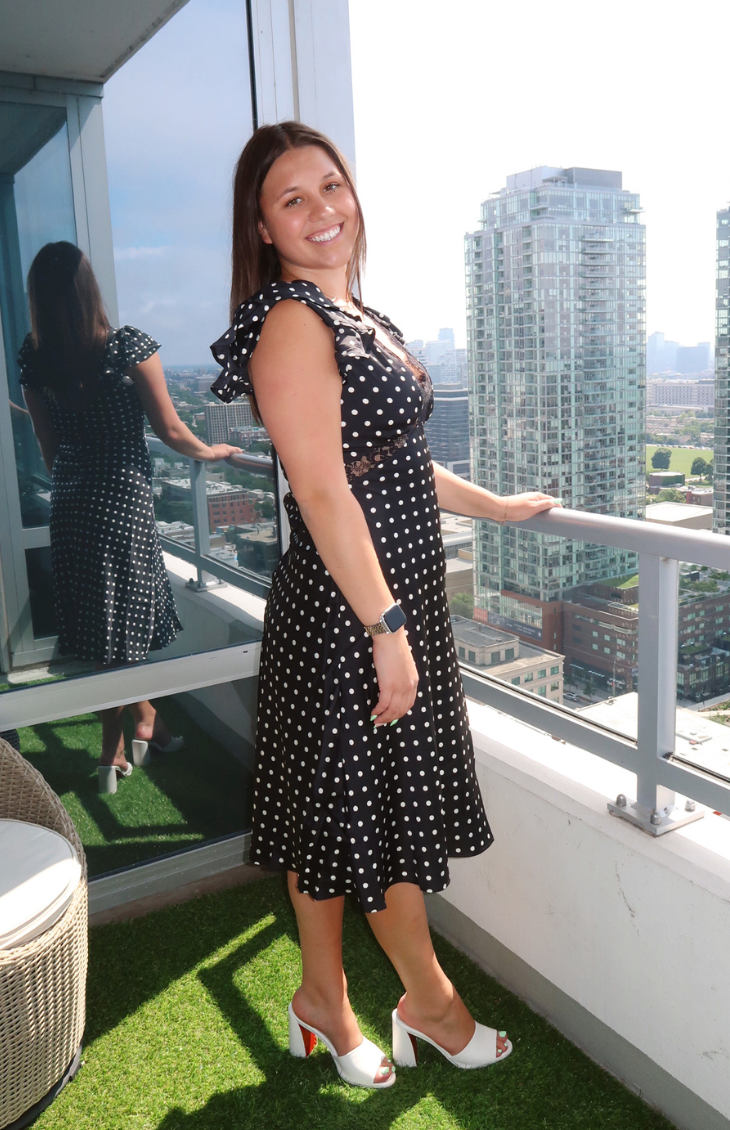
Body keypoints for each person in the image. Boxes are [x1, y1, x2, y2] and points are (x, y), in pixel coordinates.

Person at [210, 122, 559, 1090]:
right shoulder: (291, 318)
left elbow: (394, 461)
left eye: (332, 185)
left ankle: (322, 1000)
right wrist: (387, 631)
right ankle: (431, 1006)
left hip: (384, 605)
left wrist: (492, 504)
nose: (325, 210)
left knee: (331, 815)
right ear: (263, 224)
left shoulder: (355, 310)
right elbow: (323, 491)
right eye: (294, 199)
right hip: (348, 616)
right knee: (382, 820)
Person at [20, 242, 240, 790]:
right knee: (122, 631)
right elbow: (170, 431)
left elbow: (48, 446)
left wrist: (74, 481)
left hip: (73, 502)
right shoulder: (126, 347)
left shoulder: (35, 356)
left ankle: (148, 725)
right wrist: (212, 453)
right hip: (122, 500)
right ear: (88, 288)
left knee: (103, 628)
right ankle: (110, 755)